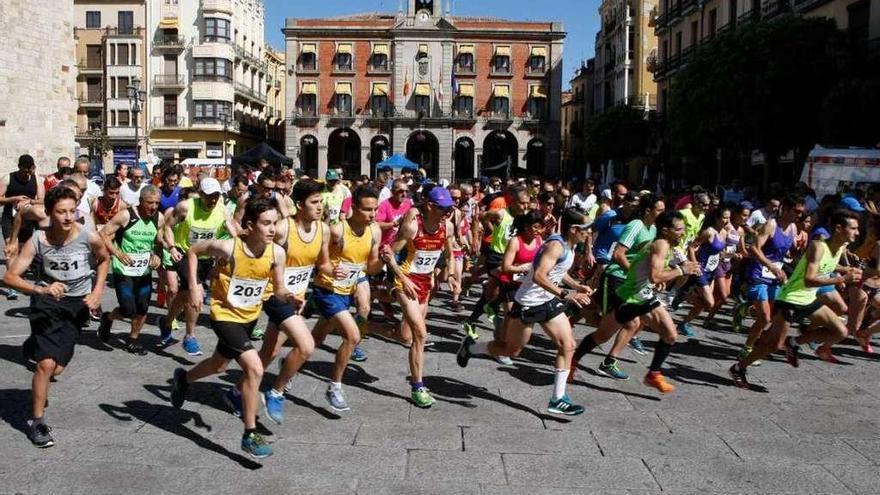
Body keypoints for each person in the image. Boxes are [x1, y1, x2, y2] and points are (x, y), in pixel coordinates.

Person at [170, 198, 294, 459]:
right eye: (266, 224)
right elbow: (193, 250)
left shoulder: (277, 253)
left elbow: (279, 287)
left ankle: (184, 379)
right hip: (224, 315)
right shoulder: (228, 247)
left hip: (249, 317)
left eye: (275, 223)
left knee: (218, 365)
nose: (273, 229)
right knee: (255, 368)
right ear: (250, 225)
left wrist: (288, 295)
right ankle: (250, 433)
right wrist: (194, 285)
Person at [457, 209, 592, 415]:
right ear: (574, 229)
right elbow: (539, 276)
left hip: (549, 301)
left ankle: (558, 398)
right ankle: (471, 347)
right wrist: (567, 295)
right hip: (528, 303)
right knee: (510, 351)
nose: (589, 233)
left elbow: (559, 272)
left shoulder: (570, 246)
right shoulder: (555, 246)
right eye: (586, 229)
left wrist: (577, 286)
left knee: (568, 345)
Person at [3, 186, 109, 447]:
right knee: (46, 365)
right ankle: (37, 422)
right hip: (47, 303)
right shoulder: (39, 239)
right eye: (61, 212)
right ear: (50, 213)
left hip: (77, 305)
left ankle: (32, 345)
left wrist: (97, 292)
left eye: (72, 211)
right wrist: (41, 288)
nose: (68, 217)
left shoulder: (88, 236)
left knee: (58, 367)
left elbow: (104, 259)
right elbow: (10, 276)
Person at [730, 209, 861, 390]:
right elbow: (809, 279)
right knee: (773, 344)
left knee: (840, 332)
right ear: (839, 228)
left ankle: (793, 343)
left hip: (808, 299)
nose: (857, 232)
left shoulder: (839, 247)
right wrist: (841, 279)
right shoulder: (817, 246)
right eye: (853, 228)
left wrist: (846, 270)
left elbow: (829, 264)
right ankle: (738, 368)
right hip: (791, 299)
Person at [571, 211, 701, 392]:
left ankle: (653, 374)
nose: (683, 232)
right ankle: (572, 362)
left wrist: (666, 276)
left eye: (683, 228)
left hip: (644, 296)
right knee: (602, 336)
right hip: (628, 297)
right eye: (679, 229)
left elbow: (652, 274)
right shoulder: (661, 244)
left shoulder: (668, 245)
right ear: (666, 230)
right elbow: (655, 276)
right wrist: (680, 270)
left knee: (670, 335)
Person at [257, 179, 330, 424]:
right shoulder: (282, 229)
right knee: (306, 346)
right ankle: (276, 392)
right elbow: (261, 255)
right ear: (299, 205)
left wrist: (338, 271)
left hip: (297, 297)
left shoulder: (323, 229)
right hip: (275, 295)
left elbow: (323, 263)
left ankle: (237, 391)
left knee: (271, 350)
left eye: (321, 201)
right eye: (314, 202)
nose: (320, 207)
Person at [309, 186, 384, 411]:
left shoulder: (375, 231)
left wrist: (383, 261)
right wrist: (331, 268)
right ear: (353, 208)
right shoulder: (337, 231)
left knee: (315, 340)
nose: (372, 214)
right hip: (326, 289)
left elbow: (370, 268)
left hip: (346, 290)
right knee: (352, 336)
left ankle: (292, 366)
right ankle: (335, 386)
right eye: (367, 209)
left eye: (375, 209)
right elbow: (317, 260)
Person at [381, 186, 456, 407]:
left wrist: (450, 274)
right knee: (421, 334)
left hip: (425, 284)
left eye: (450, 208)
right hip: (405, 280)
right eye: (444, 208)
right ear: (430, 206)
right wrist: (403, 279)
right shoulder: (413, 227)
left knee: (405, 336)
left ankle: (365, 327)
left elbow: (450, 254)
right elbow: (388, 253)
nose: (448, 212)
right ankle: (417, 387)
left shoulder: (447, 227)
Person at [160, 178, 237, 354]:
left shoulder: (222, 210)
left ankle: (166, 322)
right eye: (208, 196)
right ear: (200, 194)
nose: (212, 200)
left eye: (216, 196)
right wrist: (171, 247)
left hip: (205, 258)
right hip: (184, 254)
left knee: (184, 293)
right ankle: (190, 337)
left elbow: (232, 231)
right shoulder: (186, 207)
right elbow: (168, 227)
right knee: (197, 292)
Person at [96, 186, 165, 354]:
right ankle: (108, 318)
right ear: (141, 201)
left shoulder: (159, 218)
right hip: (124, 270)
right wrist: (117, 253)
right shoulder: (127, 215)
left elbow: (158, 241)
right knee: (128, 309)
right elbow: (104, 234)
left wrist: (157, 255)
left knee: (142, 308)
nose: (153, 207)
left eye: (156, 203)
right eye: (150, 203)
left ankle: (133, 340)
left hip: (144, 271)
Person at [737, 195, 803, 361]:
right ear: (785, 209)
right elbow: (754, 248)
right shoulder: (771, 225)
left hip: (776, 276)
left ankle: (745, 309)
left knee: (776, 316)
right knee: (765, 317)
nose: (799, 215)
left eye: (802, 212)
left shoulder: (793, 228)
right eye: (796, 211)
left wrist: (796, 253)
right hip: (759, 272)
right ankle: (748, 348)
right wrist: (771, 266)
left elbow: (787, 251)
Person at [678, 206, 732, 336]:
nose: (727, 220)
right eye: (724, 217)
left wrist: (730, 255)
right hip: (701, 269)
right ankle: (682, 295)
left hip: (711, 271)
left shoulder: (724, 232)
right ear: (717, 218)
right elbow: (692, 247)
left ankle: (683, 323)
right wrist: (694, 264)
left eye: (729, 217)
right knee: (710, 302)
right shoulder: (708, 232)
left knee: (703, 304)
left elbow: (718, 252)